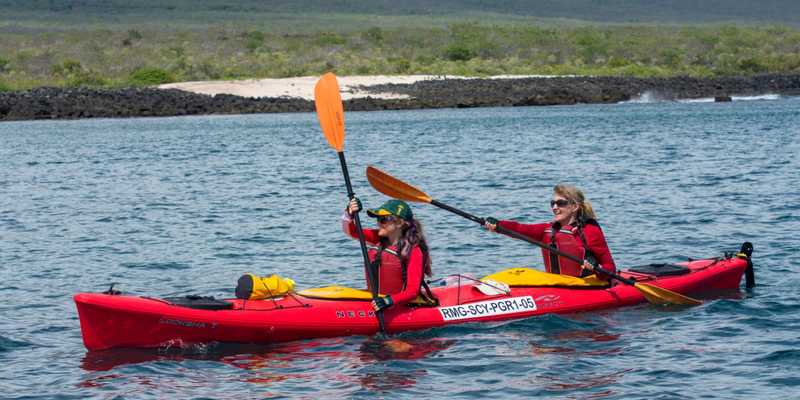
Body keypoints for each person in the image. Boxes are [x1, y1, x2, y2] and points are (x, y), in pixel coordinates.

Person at [484, 184, 616, 280]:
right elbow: (520, 229)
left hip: (585, 288)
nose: (555, 207)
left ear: (574, 207)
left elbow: (610, 267)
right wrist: (499, 225)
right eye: (552, 203)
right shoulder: (548, 230)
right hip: (557, 285)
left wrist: (596, 266)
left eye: (560, 203)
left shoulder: (590, 231)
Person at [342, 198, 433, 312]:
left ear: (399, 223)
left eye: (383, 219)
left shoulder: (413, 251)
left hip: (400, 305)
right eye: (378, 219)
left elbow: (412, 291)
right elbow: (351, 231)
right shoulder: (377, 238)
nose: (379, 222)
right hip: (376, 302)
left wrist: (388, 301)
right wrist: (349, 213)